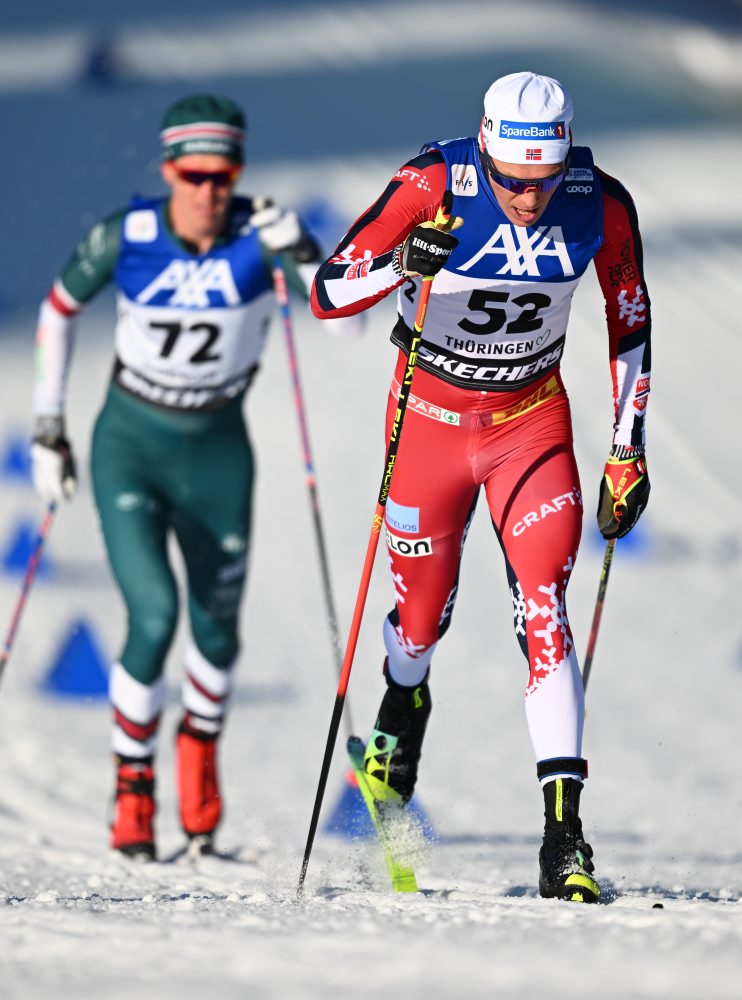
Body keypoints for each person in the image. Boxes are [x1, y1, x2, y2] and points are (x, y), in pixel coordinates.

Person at [311, 71, 651, 902]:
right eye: (512, 181)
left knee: (545, 610)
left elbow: (630, 319)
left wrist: (627, 448)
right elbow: (327, 292)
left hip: (529, 424)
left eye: (543, 181)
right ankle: (402, 708)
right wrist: (402, 262)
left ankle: (563, 839)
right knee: (420, 624)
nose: (529, 199)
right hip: (428, 420)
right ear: (488, 151)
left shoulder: (600, 203)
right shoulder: (434, 181)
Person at [31, 93, 354, 860]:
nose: (209, 191)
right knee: (153, 615)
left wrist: (308, 251)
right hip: (132, 445)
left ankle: (199, 760)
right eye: (194, 175)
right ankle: (134, 783)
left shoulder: (261, 235)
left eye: (223, 176)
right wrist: (49, 427)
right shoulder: (129, 234)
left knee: (216, 629)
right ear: (168, 170)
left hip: (218, 454)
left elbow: (348, 319)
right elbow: (57, 310)